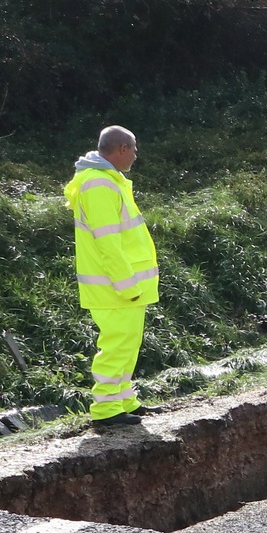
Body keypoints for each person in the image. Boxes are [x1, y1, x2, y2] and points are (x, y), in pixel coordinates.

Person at [64, 125, 158, 430]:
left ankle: (123, 402)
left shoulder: (105, 181)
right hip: (116, 288)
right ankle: (106, 409)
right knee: (118, 345)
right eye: (133, 149)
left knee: (127, 345)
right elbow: (108, 242)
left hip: (122, 287)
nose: (135, 155)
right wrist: (126, 284)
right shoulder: (100, 185)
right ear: (121, 149)